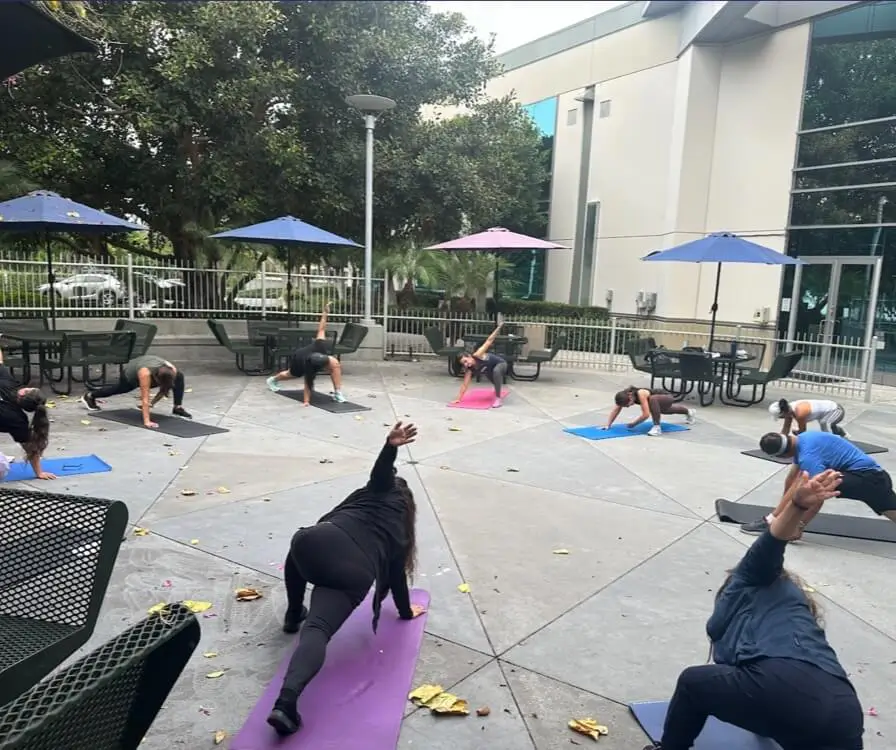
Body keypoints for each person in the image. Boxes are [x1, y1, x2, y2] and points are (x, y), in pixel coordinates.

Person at [644, 469, 864, 750]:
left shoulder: (756, 576)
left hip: (785, 690)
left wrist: (796, 505)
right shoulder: (793, 611)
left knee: (693, 683)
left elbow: (772, 542)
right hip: (845, 709)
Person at [266, 422, 425, 736]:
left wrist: (390, 447)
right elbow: (396, 578)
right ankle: (285, 704)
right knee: (319, 631)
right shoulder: (400, 529)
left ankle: (293, 611)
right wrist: (406, 613)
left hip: (315, 541)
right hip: (352, 573)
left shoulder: (376, 493)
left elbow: (380, 475)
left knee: (300, 547)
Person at [740, 430, 896, 536]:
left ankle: (769, 522)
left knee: (810, 484)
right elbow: (791, 478)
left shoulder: (808, 457)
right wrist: (786, 507)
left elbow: (816, 496)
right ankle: (772, 519)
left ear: (783, 455)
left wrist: (798, 526)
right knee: (888, 507)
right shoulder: (804, 438)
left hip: (866, 478)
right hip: (874, 478)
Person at [81, 355, 192, 429]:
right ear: (156, 377)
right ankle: (90, 396)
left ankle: (177, 407)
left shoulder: (172, 370)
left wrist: (152, 403)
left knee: (180, 377)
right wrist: (147, 421)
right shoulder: (145, 373)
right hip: (131, 373)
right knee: (121, 388)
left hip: (153, 369)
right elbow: (144, 398)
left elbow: (165, 389)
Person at [266, 303, 345, 405]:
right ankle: (272, 380)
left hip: (310, 355)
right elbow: (308, 384)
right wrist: (306, 401)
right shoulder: (309, 367)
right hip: (299, 357)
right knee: (292, 374)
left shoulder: (320, 343)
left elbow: (321, 328)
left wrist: (325, 313)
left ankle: (338, 393)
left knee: (335, 366)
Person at [0, 347, 55, 479]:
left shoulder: (8, 382)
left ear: (23, 392)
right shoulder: (18, 420)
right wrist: (39, 472)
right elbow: (29, 446)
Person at [453, 322, 508, 408]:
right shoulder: (469, 370)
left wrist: (499, 327)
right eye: (464, 364)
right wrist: (458, 398)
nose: (467, 364)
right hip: (489, 370)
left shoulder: (478, 355)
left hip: (501, 364)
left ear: (469, 356)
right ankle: (497, 389)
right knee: (491, 376)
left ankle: (498, 399)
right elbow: (465, 384)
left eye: (466, 361)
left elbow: (489, 341)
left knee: (496, 371)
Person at [604, 386, 695, 437]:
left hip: (666, 397)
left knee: (652, 399)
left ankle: (657, 427)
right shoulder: (623, 396)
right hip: (658, 403)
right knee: (667, 410)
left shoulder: (641, 393)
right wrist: (608, 424)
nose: (628, 406)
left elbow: (646, 414)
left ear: (630, 396)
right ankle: (689, 412)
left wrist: (634, 424)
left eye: (628, 404)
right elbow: (616, 409)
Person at [769, 397, 849, 438]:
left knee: (825, 427)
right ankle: (841, 433)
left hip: (837, 410)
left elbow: (803, 432)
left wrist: (797, 432)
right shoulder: (789, 411)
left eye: (781, 417)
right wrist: (780, 439)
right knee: (825, 424)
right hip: (826, 414)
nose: (782, 419)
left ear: (784, 412)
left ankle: (834, 446)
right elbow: (785, 429)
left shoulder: (799, 412)